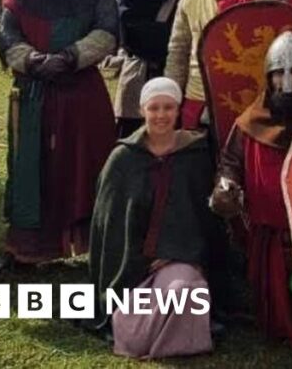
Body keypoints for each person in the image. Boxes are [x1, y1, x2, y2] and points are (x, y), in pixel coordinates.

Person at [0, 0, 118, 271]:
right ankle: (25, 250)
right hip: (34, 93)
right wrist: (33, 61)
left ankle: (90, 247)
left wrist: (69, 57)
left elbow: (107, 31)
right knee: (30, 170)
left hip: (80, 93)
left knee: (83, 167)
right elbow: (7, 36)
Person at [210, 32, 292, 359]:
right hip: (271, 238)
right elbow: (229, 164)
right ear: (268, 77)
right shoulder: (250, 122)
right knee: (279, 316)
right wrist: (225, 189)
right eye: (279, 73)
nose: (287, 82)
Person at [88, 78, 223, 359]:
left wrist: (174, 253)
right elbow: (108, 227)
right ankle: (144, 334)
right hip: (130, 267)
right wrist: (141, 258)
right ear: (142, 111)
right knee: (135, 335)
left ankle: (178, 339)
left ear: (178, 111)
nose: (161, 115)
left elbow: (204, 222)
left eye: (168, 108)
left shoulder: (195, 156)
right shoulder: (122, 159)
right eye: (154, 108)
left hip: (179, 260)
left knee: (184, 290)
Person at [164, 0, 274, 129]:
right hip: (197, 98)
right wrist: (171, 95)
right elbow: (178, 50)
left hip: (245, 99)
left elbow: (271, 51)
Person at [114, 0, 188, 137]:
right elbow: (128, 28)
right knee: (133, 139)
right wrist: (165, 39)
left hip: (178, 72)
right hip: (141, 70)